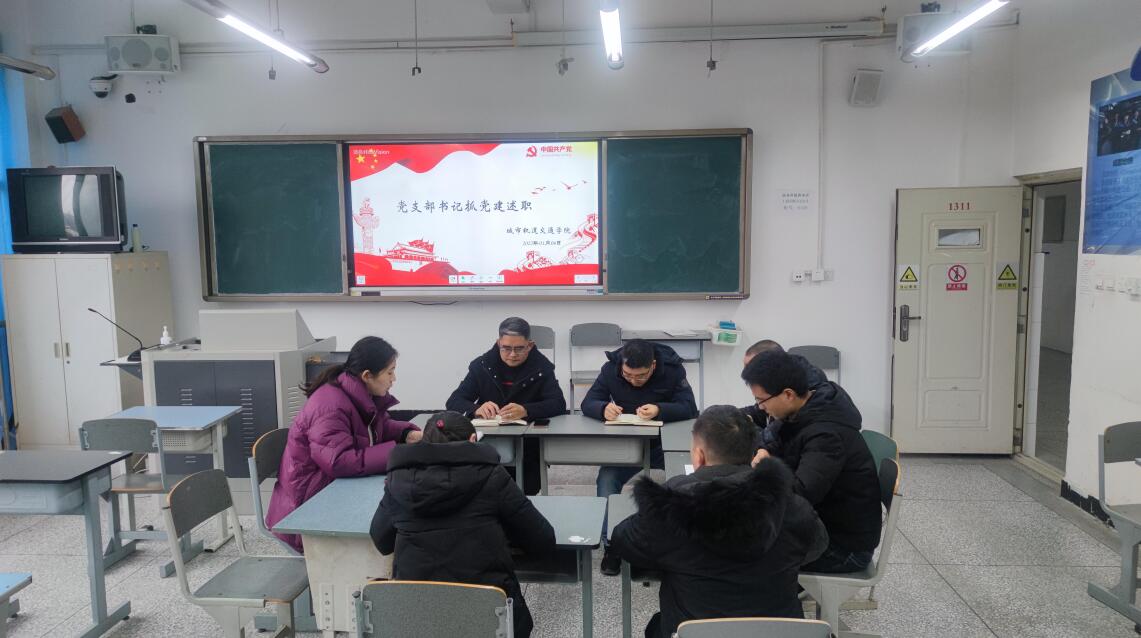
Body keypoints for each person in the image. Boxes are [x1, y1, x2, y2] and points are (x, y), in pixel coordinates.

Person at [609, 405, 828, 638]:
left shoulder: (671, 506)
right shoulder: (789, 504)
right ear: (753, 454)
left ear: (699, 455)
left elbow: (624, 541)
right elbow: (817, 545)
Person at [370, 411, 556, 638]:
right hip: (488, 618)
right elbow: (542, 540)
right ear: (473, 440)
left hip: (418, 619)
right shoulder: (492, 476)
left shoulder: (398, 481)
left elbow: (381, 540)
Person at [266, 336, 421, 553]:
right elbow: (339, 461)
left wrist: (406, 434)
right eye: (389, 372)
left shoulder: (358, 393)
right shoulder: (329, 406)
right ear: (367, 376)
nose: (393, 379)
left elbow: (377, 427)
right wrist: (396, 453)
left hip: (334, 489)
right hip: (309, 504)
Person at [742, 349, 881, 574]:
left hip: (843, 547)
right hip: (821, 524)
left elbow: (801, 494)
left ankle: (769, 596)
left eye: (761, 400)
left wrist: (766, 468)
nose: (760, 408)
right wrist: (764, 450)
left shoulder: (826, 434)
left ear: (788, 394)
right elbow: (779, 444)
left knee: (742, 554)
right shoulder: (801, 411)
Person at [581, 338, 698, 575]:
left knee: (687, 478)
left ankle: (683, 545)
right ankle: (612, 545)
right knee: (607, 478)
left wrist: (660, 409)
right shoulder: (611, 368)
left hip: (664, 445)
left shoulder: (673, 369)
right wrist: (603, 408)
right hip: (629, 445)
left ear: (653, 365)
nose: (633, 381)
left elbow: (689, 407)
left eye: (641, 376)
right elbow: (588, 402)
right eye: (628, 375)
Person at [445, 317, 567, 494]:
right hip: (486, 444)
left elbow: (558, 404)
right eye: (506, 348)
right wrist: (476, 409)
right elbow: (454, 401)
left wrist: (526, 410)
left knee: (526, 489)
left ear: (530, 345)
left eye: (519, 348)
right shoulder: (482, 365)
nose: (512, 354)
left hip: (527, 447)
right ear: (498, 343)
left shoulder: (542, 368)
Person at [739, 339, 828, 450]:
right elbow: (760, 411)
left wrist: (746, 426)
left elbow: (775, 436)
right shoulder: (780, 384)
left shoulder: (806, 392)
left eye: (751, 368)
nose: (747, 374)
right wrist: (735, 415)